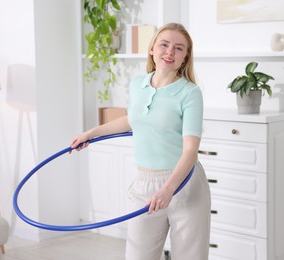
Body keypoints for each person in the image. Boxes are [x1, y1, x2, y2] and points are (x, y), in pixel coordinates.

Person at [71, 23, 211, 260]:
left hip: (184, 184)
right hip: (144, 184)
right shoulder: (138, 84)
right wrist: (90, 133)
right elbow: (133, 119)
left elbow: (190, 151)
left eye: (178, 48)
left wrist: (169, 189)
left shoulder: (190, 93)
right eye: (164, 45)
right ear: (152, 49)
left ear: (185, 57)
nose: (170, 52)